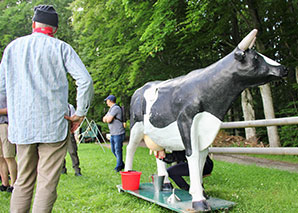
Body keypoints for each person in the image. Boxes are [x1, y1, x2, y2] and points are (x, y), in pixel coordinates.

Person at [0, 5, 93, 213]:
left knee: (23, 181)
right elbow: (85, 81)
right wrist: (79, 113)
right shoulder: (61, 48)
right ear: (56, 29)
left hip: (22, 128)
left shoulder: (12, 48)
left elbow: (2, 89)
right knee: (47, 184)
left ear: (33, 25)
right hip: (53, 125)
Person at [103, 95, 125, 172]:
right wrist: (107, 118)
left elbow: (108, 120)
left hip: (118, 132)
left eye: (107, 101)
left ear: (110, 100)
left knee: (118, 150)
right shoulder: (110, 109)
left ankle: (118, 167)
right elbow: (104, 119)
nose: (106, 102)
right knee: (113, 150)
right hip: (113, 133)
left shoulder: (115, 108)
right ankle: (121, 164)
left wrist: (107, 118)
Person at [0, 95, 17, 193]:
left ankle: (14, 184)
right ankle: (4, 183)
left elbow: (12, 108)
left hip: (5, 124)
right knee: (1, 157)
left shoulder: (6, 90)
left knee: (8, 156)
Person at [61, 104, 82, 176]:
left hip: (69, 131)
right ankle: (62, 170)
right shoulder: (55, 106)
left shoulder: (70, 107)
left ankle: (77, 170)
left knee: (73, 151)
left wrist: (73, 129)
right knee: (60, 152)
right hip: (58, 133)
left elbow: (75, 119)